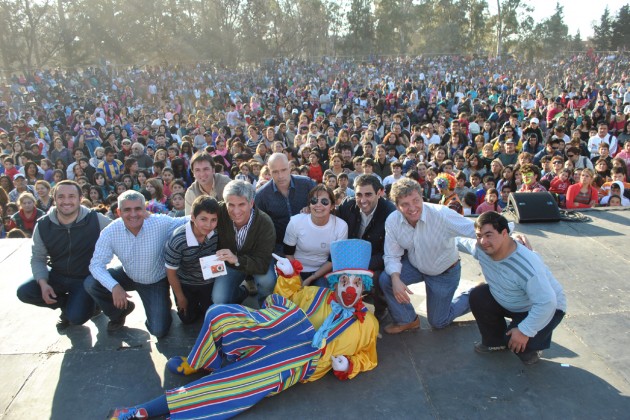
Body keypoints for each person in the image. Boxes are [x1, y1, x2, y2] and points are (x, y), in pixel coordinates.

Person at [108, 239, 378, 420]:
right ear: (336, 283)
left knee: (234, 384)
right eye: (344, 280)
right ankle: (199, 361)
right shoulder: (315, 295)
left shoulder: (368, 324)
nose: (349, 287)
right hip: (278, 328)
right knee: (219, 313)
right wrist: (288, 276)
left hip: (301, 359)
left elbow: (368, 356)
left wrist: (349, 366)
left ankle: (143, 411)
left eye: (355, 282)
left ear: (363, 287)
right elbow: (288, 298)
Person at [458, 211, 566, 365]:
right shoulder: (481, 249)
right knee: (478, 295)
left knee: (519, 344)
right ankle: (495, 342)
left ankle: (533, 346)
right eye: (479, 235)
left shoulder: (526, 266)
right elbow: (457, 241)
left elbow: (547, 303)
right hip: (514, 300)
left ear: (504, 233)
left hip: (546, 307)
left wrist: (524, 330)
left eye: (489, 235)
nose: (483, 241)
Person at [85, 190, 188, 338]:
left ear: (145, 209)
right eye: (127, 210)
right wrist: (114, 286)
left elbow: (190, 219)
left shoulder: (159, 222)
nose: (133, 214)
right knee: (91, 283)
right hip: (129, 274)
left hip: (155, 280)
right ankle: (119, 312)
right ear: (118, 212)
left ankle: (161, 306)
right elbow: (96, 265)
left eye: (138, 209)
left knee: (159, 330)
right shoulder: (110, 232)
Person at [379, 178, 475, 333]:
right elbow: (391, 255)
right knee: (387, 279)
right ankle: (408, 320)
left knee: (438, 322)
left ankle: (475, 294)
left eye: (415, 201)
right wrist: (396, 279)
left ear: (421, 196)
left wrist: (509, 234)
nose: (412, 208)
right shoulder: (392, 221)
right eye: (405, 204)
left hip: (443, 272)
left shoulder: (441, 214)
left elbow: (475, 229)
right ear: (396, 206)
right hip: (416, 266)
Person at [16, 181, 111, 330]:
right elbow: (38, 257)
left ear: (80, 198)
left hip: (84, 278)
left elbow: (120, 231)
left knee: (76, 318)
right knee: (24, 292)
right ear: (54, 199)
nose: (66, 201)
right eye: (61, 196)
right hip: (57, 274)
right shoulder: (43, 225)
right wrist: (43, 283)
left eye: (71, 196)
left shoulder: (95, 219)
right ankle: (67, 303)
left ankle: (91, 303)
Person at [337, 174, 396, 319]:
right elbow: (330, 218)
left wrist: (362, 266)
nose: (363, 200)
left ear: (380, 192)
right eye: (359, 194)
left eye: (368, 194)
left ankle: (381, 308)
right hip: (350, 257)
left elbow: (389, 252)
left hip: (377, 258)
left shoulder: (391, 213)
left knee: (378, 278)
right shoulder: (347, 206)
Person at [214, 180, 276, 307]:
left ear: (251, 203)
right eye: (231, 205)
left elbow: (263, 263)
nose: (236, 211)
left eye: (241, 204)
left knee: (267, 281)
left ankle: (265, 306)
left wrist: (237, 259)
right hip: (230, 265)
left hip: (257, 262)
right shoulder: (218, 212)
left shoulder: (265, 223)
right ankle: (243, 292)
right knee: (218, 299)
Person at [164, 196, 220, 324]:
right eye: (203, 219)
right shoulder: (178, 239)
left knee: (213, 315)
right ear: (193, 217)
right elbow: (171, 272)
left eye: (213, 220)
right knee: (187, 319)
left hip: (209, 281)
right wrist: (180, 297)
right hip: (186, 283)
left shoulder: (216, 232)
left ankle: (241, 292)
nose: (208, 225)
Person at [283, 185, 348, 287]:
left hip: (321, 273)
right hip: (295, 270)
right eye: (314, 201)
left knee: (321, 297)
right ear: (309, 204)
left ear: (332, 206)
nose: (318, 205)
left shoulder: (341, 226)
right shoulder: (296, 221)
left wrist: (311, 278)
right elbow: (288, 253)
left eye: (324, 202)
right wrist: (297, 276)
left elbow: (333, 260)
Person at [254, 152, 316, 253]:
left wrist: (312, 209)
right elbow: (259, 227)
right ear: (269, 172)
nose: (280, 176)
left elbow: (324, 207)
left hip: (310, 243)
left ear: (289, 168)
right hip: (280, 248)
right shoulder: (262, 195)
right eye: (275, 172)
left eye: (283, 170)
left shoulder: (307, 184)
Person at [184, 151, 231, 215]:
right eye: (197, 170)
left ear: (213, 170)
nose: (202, 174)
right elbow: (190, 220)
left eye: (206, 169)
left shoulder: (226, 184)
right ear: (193, 173)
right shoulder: (191, 193)